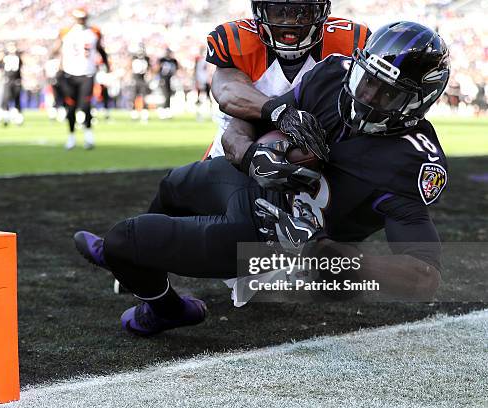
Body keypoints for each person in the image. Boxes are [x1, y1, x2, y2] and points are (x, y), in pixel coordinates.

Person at [73, 22, 450, 337]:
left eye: (386, 92)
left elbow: (423, 276)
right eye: (366, 78)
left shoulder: (412, 161)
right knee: (174, 184)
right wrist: (251, 153)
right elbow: (248, 121)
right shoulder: (335, 75)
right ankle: (144, 276)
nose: (366, 94)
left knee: (126, 238)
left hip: (270, 240)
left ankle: (163, 306)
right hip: (256, 185)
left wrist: (324, 254)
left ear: (419, 101)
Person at [204, 0, 370, 159]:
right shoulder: (237, 40)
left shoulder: (350, 41)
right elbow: (227, 92)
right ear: (261, 10)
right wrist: (280, 112)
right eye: (278, 12)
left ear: (320, 12)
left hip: (323, 152)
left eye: (302, 12)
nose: (290, 22)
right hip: (239, 147)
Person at [54, 7, 110, 150]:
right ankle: (71, 137)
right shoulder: (65, 32)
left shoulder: (94, 32)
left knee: (85, 107)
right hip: (69, 74)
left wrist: (106, 66)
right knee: (70, 108)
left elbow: (100, 49)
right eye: (79, 18)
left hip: (87, 74)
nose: (81, 21)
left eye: (83, 18)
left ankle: (88, 136)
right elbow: (57, 49)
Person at [0, 42, 23, 127]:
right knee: (6, 98)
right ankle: (5, 117)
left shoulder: (18, 56)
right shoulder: (4, 57)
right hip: (7, 81)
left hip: (16, 81)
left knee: (16, 99)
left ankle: (17, 117)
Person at [130, 44, 151, 123]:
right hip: (136, 79)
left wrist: (149, 78)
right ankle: (134, 114)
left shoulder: (146, 59)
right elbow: (130, 68)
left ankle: (144, 114)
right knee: (134, 97)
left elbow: (148, 70)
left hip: (142, 80)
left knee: (144, 98)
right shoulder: (134, 58)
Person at [157, 48, 179, 119]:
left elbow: (177, 69)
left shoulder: (174, 61)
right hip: (164, 80)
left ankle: (167, 111)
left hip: (171, 80)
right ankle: (163, 111)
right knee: (166, 96)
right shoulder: (162, 60)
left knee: (169, 96)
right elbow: (157, 69)